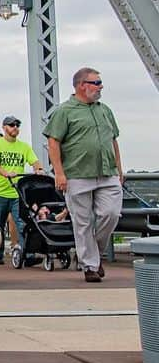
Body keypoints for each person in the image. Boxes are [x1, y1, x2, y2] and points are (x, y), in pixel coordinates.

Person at [44, 67, 125, 283]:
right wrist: (59, 173)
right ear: (82, 85)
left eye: (100, 82)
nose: (100, 87)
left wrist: (120, 169)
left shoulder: (104, 110)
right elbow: (53, 142)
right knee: (82, 222)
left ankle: (94, 254)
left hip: (107, 172)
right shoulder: (65, 111)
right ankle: (90, 265)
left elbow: (113, 141)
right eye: (96, 83)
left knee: (111, 213)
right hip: (77, 175)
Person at [0, 115, 44, 264]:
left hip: (17, 193)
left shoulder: (24, 146)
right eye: (12, 125)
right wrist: (5, 173)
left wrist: (39, 169)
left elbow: (34, 160)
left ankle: (27, 254)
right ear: (4, 127)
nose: (15, 128)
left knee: (23, 223)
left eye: (17, 125)